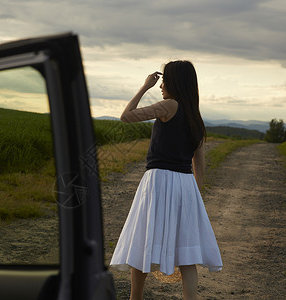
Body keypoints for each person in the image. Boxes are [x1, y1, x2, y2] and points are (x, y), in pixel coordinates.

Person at [110, 60, 222, 300]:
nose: (161, 84)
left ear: (176, 82)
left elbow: (126, 116)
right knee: (187, 254)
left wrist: (144, 87)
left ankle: (135, 298)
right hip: (186, 185)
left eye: (165, 80)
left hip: (159, 181)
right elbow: (199, 167)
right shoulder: (196, 118)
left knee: (144, 239)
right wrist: (194, 198)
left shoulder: (168, 106)